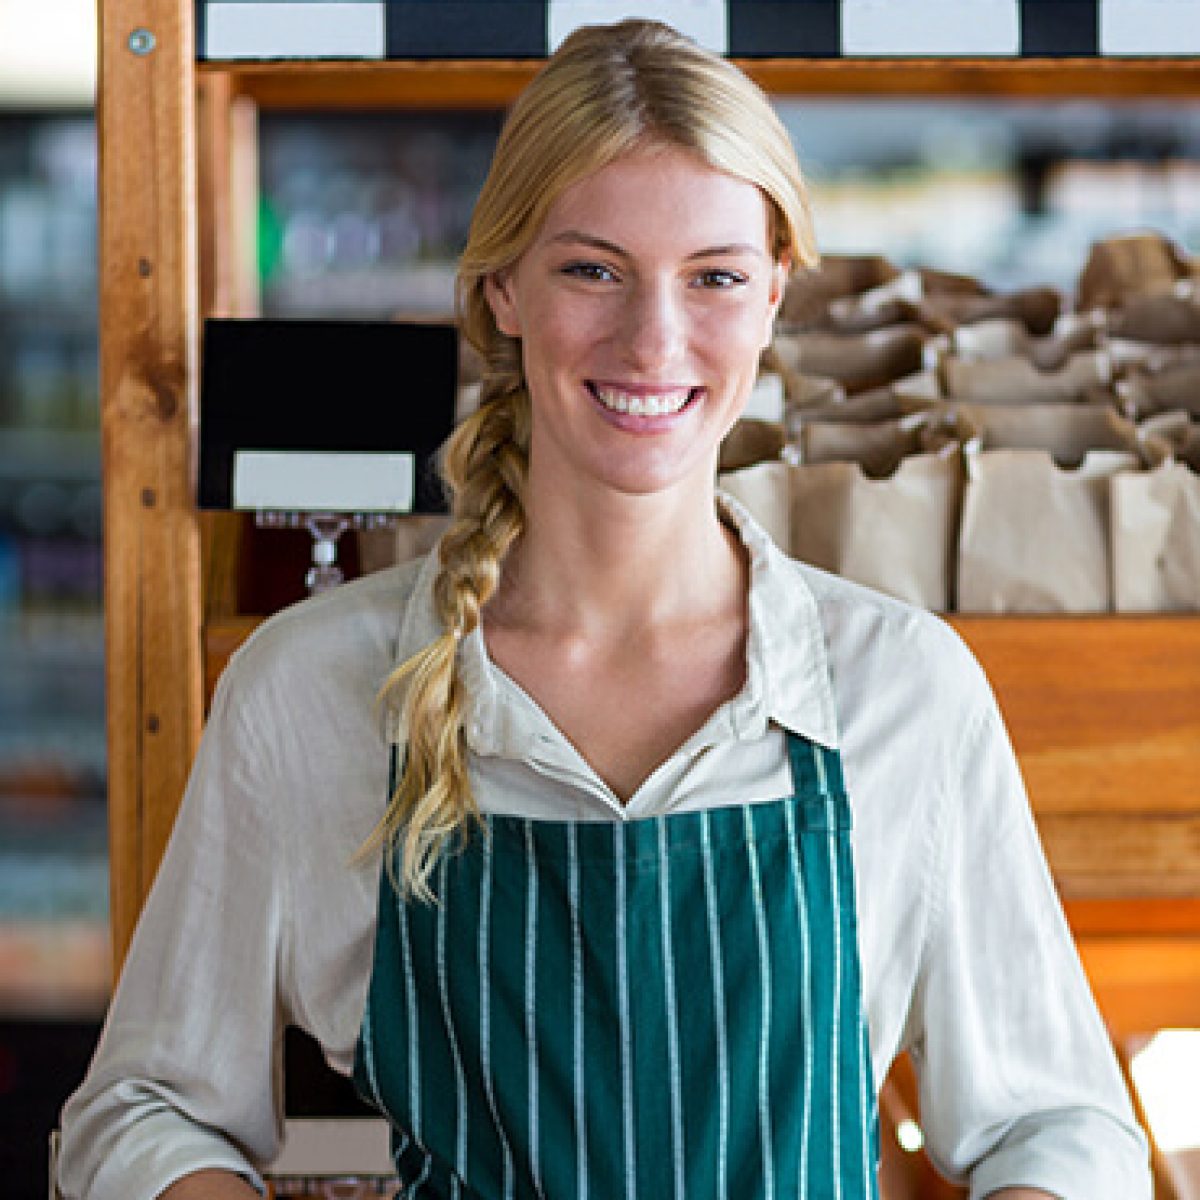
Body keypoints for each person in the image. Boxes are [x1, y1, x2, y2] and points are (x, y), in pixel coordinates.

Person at [59, 18, 1150, 1200]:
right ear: (504, 288)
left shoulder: (903, 689)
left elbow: (1061, 1129)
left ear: (775, 295)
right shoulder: (311, 687)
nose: (654, 339)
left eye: (716, 277)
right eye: (593, 268)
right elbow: (141, 1112)